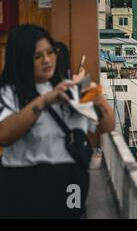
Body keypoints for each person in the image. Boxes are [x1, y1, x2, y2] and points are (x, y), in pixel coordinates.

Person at [0, 24, 115, 218]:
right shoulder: (9, 94)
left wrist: (93, 93)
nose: (47, 60)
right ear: (21, 59)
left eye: (50, 52)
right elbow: (4, 135)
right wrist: (45, 100)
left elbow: (108, 126)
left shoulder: (70, 89)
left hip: (71, 183)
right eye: (38, 56)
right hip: (23, 185)